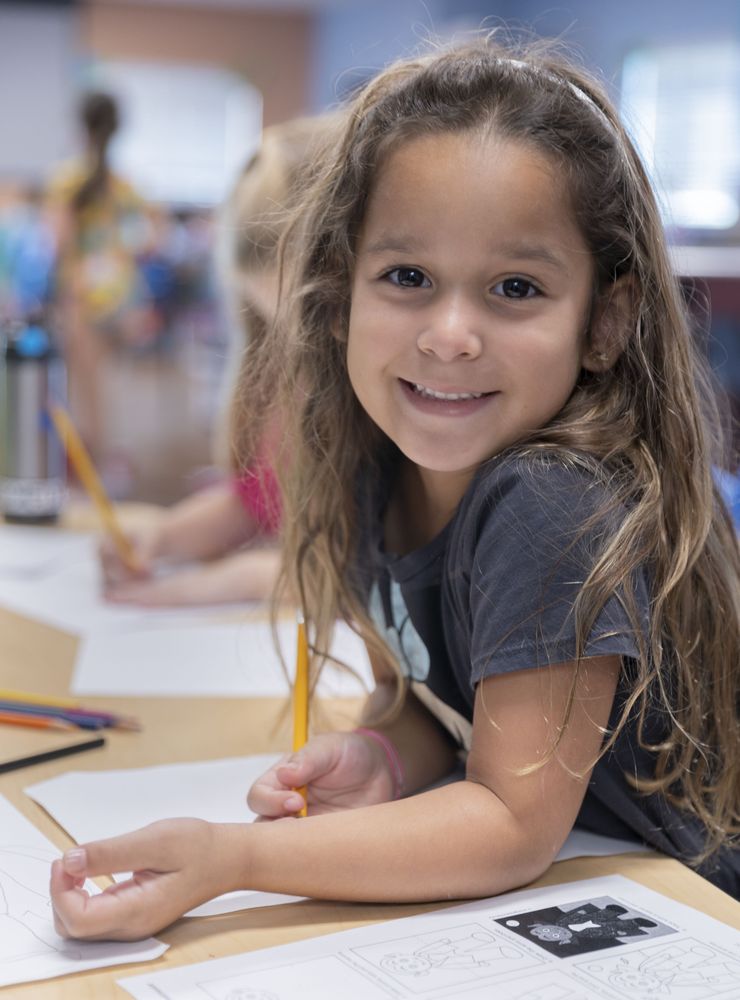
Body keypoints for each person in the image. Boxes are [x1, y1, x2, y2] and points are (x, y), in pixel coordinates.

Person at [50, 38, 740, 941]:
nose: (450, 335)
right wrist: (383, 753)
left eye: (515, 287)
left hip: (698, 917)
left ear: (605, 320)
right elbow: (432, 699)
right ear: (340, 295)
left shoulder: (548, 500)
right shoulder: (371, 463)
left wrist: (234, 860)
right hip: (600, 878)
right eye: (407, 277)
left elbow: (507, 825)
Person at [99, 115, 339, 606]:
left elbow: (344, 575)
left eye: (299, 318)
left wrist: (202, 587)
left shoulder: (371, 400)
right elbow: (252, 504)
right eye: (267, 319)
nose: (288, 345)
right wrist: (162, 538)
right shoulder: (278, 378)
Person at [47, 91, 154, 472]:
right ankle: (108, 464)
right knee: (108, 387)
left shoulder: (67, 181)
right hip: (122, 295)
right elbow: (148, 238)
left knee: (84, 389)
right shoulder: (124, 185)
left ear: (81, 126)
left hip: (81, 295)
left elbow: (59, 243)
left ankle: (90, 469)